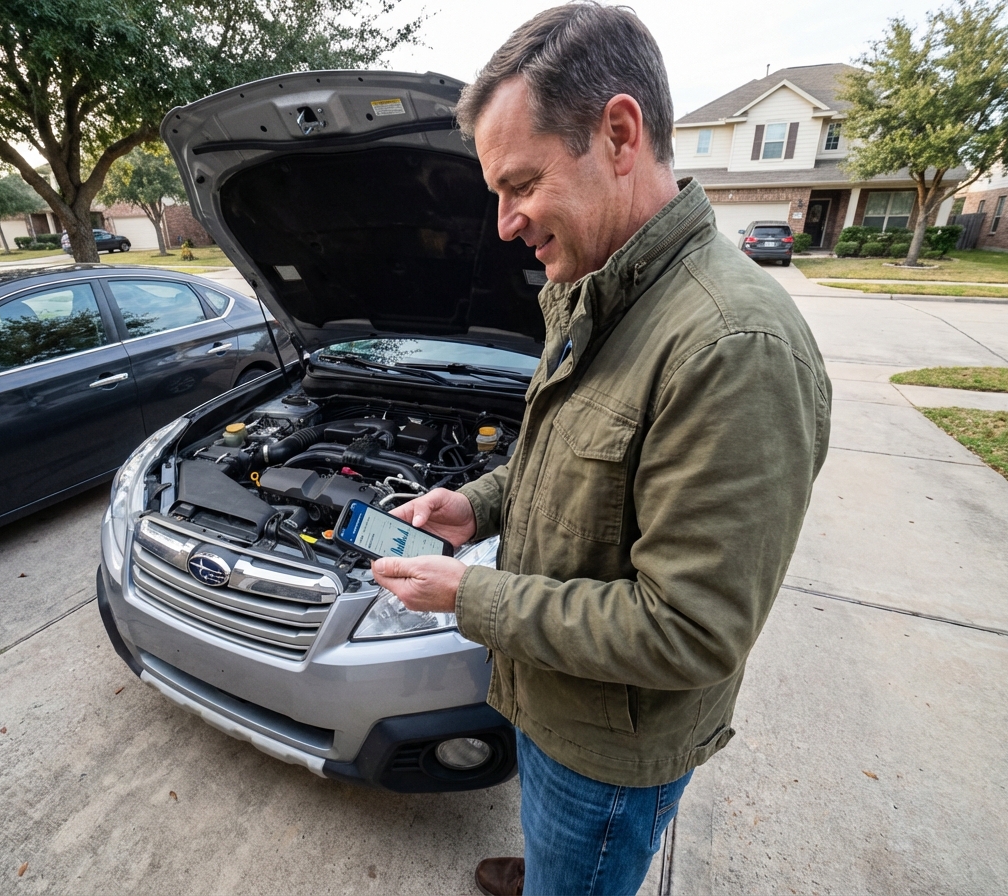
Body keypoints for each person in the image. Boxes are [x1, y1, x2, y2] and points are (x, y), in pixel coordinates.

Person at [370, 4, 832, 894]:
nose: (504, 223)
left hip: (610, 757)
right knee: (558, 847)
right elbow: (566, 460)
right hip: (554, 701)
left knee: (583, 860)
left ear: (619, 134)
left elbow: (689, 629)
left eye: (521, 185)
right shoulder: (602, 290)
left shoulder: (731, 348)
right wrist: (479, 505)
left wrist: (473, 596)